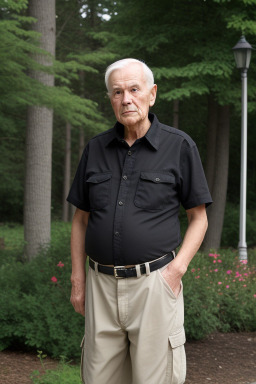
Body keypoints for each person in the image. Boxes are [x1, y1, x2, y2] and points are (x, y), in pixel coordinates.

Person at [67, 58, 212, 384]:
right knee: (97, 378)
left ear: (152, 94)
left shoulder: (179, 147)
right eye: (117, 92)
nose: (126, 98)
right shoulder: (95, 149)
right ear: (110, 100)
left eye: (134, 89)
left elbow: (198, 218)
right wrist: (78, 279)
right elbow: (80, 220)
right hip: (100, 286)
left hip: (155, 285)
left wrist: (176, 272)